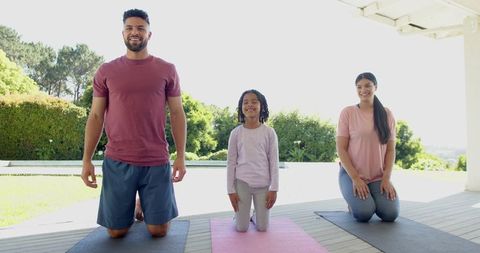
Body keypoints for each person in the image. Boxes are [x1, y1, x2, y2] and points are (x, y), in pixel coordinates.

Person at [80, 9, 187, 238]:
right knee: (116, 233)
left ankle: (142, 204)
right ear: (122, 33)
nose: (134, 32)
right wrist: (86, 160)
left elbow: (177, 113)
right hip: (118, 160)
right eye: (129, 28)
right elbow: (96, 116)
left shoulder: (167, 69)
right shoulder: (106, 71)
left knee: (159, 231)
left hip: (156, 160)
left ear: (150, 34)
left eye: (140, 28)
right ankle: (133, 206)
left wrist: (180, 155)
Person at [336, 72, 399, 222]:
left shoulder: (386, 114)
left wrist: (386, 178)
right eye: (359, 87)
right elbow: (341, 149)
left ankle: (371, 196)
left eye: (367, 86)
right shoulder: (348, 113)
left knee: (391, 214)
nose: (363, 90)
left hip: (378, 177)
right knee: (364, 213)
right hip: (352, 175)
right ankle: (356, 203)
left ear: (375, 87)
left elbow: (390, 150)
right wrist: (356, 179)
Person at [227, 89, 279, 232]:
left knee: (263, 228)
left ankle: (255, 215)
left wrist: (274, 189)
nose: (250, 105)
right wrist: (230, 190)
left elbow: (274, 162)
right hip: (242, 183)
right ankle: (238, 217)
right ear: (241, 107)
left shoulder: (269, 132)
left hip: (263, 184)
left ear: (261, 106)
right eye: (246, 102)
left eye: (254, 102)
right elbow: (231, 163)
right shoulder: (236, 133)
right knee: (241, 228)